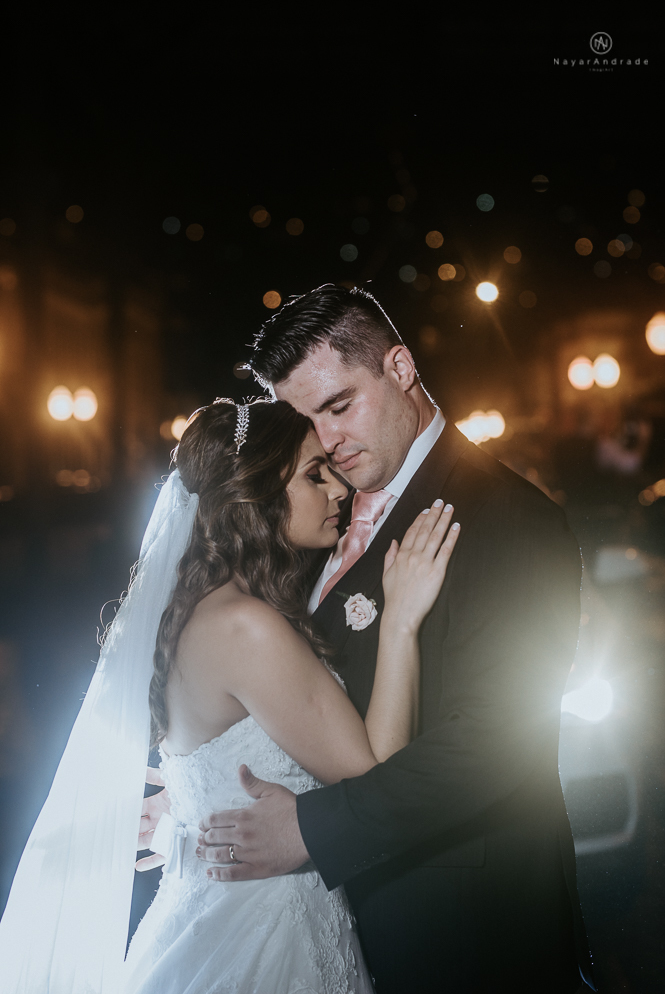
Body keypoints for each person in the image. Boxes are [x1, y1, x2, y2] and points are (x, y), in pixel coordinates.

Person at [183, 285, 595, 993]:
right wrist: (199, 790)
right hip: (341, 926)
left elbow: (496, 742)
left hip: (466, 928)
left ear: (400, 368)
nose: (327, 439)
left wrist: (312, 831)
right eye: (307, 419)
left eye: (340, 406)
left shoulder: (509, 520)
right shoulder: (312, 515)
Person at [0, 396, 460, 994]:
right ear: (257, 496)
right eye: (313, 475)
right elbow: (379, 778)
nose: (339, 490)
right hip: (263, 934)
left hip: (215, 913)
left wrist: (184, 823)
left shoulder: (198, 610)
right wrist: (401, 620)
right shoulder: (245, 625)